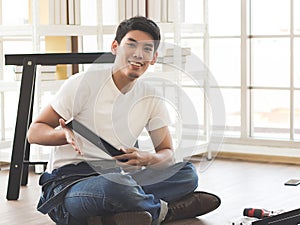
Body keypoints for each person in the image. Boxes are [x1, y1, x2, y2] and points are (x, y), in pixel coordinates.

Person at [27, 16, 220, 225]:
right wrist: (62, 135)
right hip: (73, 182)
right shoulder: (83, 83)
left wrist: (147, 158)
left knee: (186, 173)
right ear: (115, 47)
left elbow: (167, 152)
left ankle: (112, 217)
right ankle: (167, 212)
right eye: (131, 44)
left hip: (120, 174)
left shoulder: (151, 95)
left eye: (147, 49)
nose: (138, 54)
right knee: (117, 186)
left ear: (153, 58)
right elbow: (34, 132)